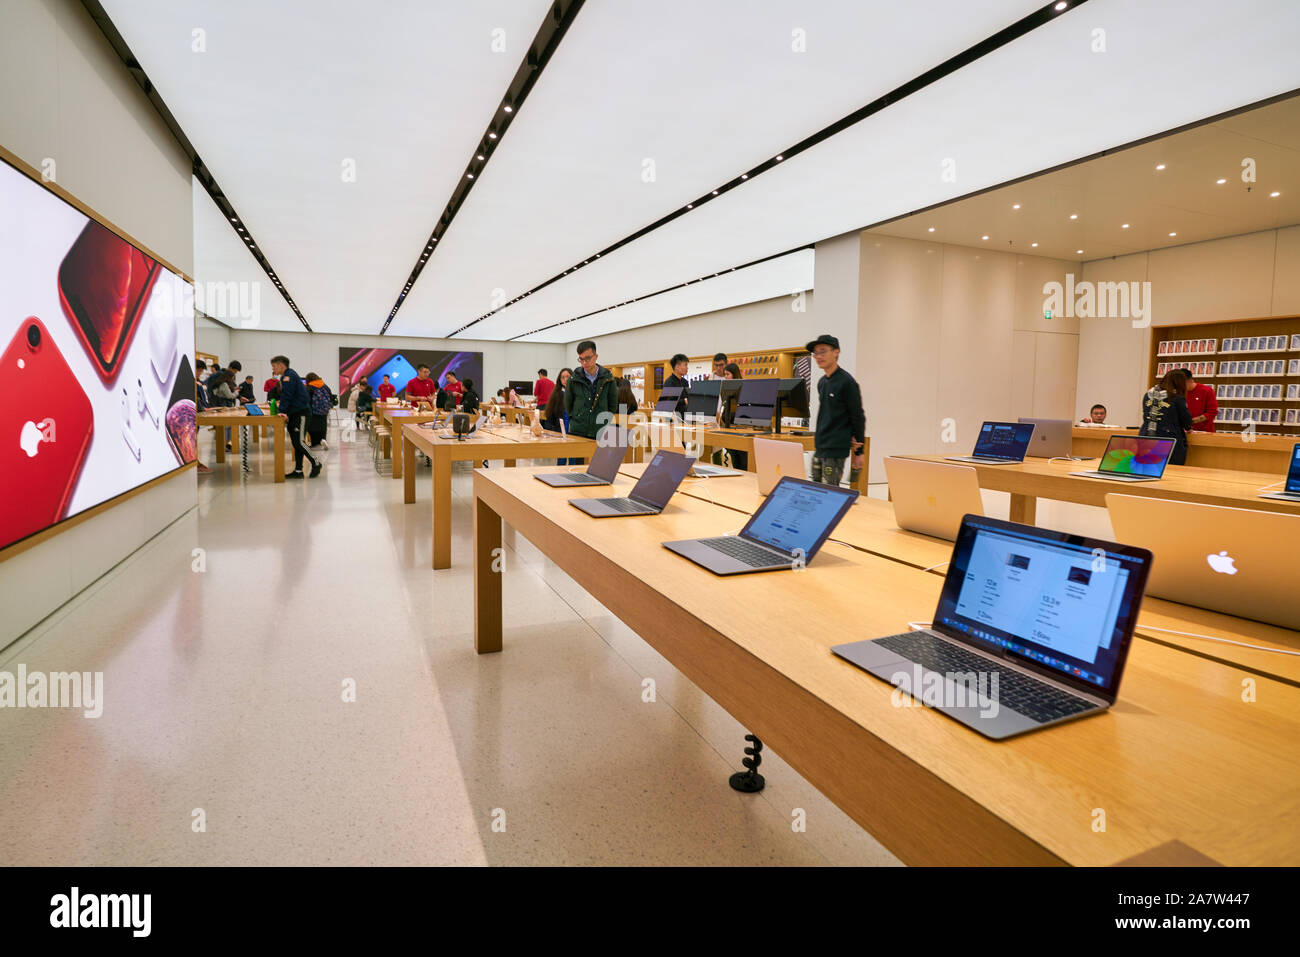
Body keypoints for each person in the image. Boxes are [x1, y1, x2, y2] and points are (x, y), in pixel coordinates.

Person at [807, 334, 865, 487]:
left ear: (836, 352)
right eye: (816, 353)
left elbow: (857, 416)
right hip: (821, 446)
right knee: (816, 489)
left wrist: (859, 452)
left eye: (823, 351)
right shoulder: (822, 382)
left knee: (830, 491)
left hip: (836, 447)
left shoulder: (847, 382)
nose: (818, 356)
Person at [566, 342, 617, 463]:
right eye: (581, 359)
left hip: (601, 428)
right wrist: (576, 417)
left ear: (596, 356)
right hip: (578, 429)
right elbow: (568, 404)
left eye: (588, 358)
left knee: (600, 465)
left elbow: (613, 404)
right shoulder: (573, 379)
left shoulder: (608, 378)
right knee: (578, 467)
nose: (584, 363)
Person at [271, 355, 321, 479]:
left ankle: (316, 462)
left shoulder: (288, 376)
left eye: (274, 366)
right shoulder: (287, 376)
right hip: (295, 413)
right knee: (296, 442)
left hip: (301, 413)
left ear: (281, 365)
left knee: (299, 442)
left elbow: (287, 395)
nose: (273, 369)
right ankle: (298, 471)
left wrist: (282, 410)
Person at [1139, 368, 1193, 465]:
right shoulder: (1177, 398)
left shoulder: (1148, 395)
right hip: (1168, 440)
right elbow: (1186, 420)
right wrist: (1188, 427)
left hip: (1146, 436)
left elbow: (1145, 415)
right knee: (1171, 472)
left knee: (1148, 469)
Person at [543, 368, 578, 465]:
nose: (565, 379)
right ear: (560, 380)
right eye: (563, 377)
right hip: (561, 430)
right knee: (561, 458)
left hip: (575, 431)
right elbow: (550, 414)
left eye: (568, 376)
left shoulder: (578, 394)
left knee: (574, 458)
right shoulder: (557, 394)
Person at [720, 363, 746, 470]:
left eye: (728, 374)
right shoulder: (725, 389)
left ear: (734, 375)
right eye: (724, 375)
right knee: (735, 459)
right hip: (728, 427)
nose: (726, 377)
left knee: (743, 460)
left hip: (739, 429)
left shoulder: (743, 389)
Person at [1182, 368, 1218, 433]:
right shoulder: (1179, 392)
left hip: (1204, 432)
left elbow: (1212, 412)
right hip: (1184, 432)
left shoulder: (1207, 390)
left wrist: (1191, 421)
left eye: (1182, 384)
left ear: (1190, 380)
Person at [304, 372, 332, 448]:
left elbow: (306, 400)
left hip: (313, 412)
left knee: (312, 427)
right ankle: (323, 440)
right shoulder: (325, 386)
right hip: (324, 411)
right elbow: (330, 396)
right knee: (323, 425)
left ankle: (313, 442)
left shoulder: (309, 387)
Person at [663, 352, 690, 418]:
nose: (687, 368)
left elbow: (687, 398)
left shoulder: (685, 382)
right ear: (677, 367)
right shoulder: (670, 382)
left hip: (686, 416)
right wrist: (684, 401)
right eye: (685, 365)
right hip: (674, 419)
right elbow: (669, 403)